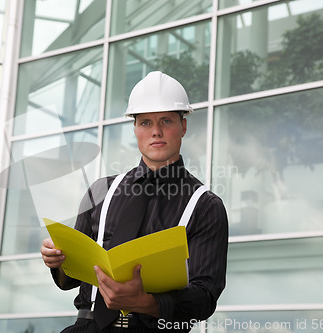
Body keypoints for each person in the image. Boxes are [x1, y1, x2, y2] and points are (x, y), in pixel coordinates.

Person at [41, 71, 228, 332]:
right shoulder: (101, 191)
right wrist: (58, 261)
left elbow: (205, 297)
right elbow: (68, 280)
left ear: (183, 126)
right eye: (146, 123)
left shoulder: (206, 206)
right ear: (135, 129)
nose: (156, 132)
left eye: (166, 120)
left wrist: (147, 303)